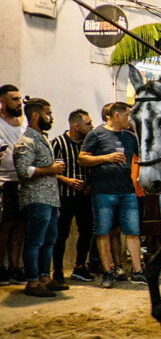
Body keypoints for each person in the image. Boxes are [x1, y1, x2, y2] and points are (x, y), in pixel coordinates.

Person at [79, 102, 146, 288]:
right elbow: (82, 158)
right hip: (103, 191)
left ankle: (138, 271)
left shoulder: (130, 137)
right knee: (103, 232)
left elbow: (143, 157)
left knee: (133, 231)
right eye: (127, 115)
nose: (129, 119)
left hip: (127, 190)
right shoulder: (97, 134)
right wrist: (106, 158)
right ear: (116, 115)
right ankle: (107, 272)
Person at [13, 98, 66, 297]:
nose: (50, 117)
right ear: (35, 115)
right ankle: (33, 282)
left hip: (50, 198)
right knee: (35, 241)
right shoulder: (26, 141)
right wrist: (50, 169)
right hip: (36, 198)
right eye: (47, 113)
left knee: (49, 240)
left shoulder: (42, 138)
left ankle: (45, 277)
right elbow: (23, 170)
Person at [51, 109, 94, 282]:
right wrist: (67, 180)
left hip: (84, 195)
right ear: (76, 126)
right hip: (64, 195)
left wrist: (89, 185)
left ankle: (80, 266)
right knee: (61, 233)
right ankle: (58, 270)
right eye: (88, 123)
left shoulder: (88, 144)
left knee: (86, 231)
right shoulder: (58, 143)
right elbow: (50, 170)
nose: (91, 126)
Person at [0, 84, 26, 286]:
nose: (19, 103)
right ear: (3, 102)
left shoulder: (25, 122)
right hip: (4, 181)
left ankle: (15, 267)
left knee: (20, 226)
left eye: (19, 99)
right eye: (14, 100)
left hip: (24, 180)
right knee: (4, 226)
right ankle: (0, 268)